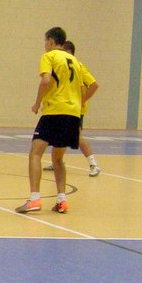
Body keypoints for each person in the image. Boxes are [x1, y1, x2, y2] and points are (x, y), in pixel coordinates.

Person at [17, 28, 97, 214]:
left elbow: (45, 80)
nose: (44, 45)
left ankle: (34, 199)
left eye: (45, 41)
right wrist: (80, 102)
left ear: (52, 41)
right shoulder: (76, 61)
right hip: (73, 114)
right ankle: (62, 200)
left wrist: (37, 103)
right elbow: (91, 85)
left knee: (35, 153)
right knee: (58, 159)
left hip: (54, 111)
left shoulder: (50, 56)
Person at [42, 40, 100, 176]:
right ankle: (56, 161)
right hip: (63, 107)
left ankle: (93, 164)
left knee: (77, 137)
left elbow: (94, 85)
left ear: (69, 52)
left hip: (74, 109)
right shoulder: (62, 66)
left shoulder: (78, 65)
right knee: (58, 135)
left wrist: (82, 100)